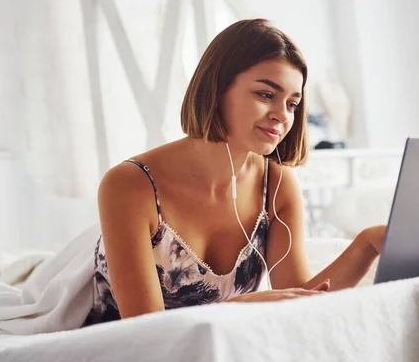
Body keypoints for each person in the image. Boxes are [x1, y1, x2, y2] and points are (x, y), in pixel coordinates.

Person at [84, 18, 386, 326]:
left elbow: (299, 298)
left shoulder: (276, 184)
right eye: (266, 95)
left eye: (292, 104)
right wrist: (243, 307)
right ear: (216, 89)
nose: (282, 115)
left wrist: (367, 243)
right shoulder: (130, 185)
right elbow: (143, 328)